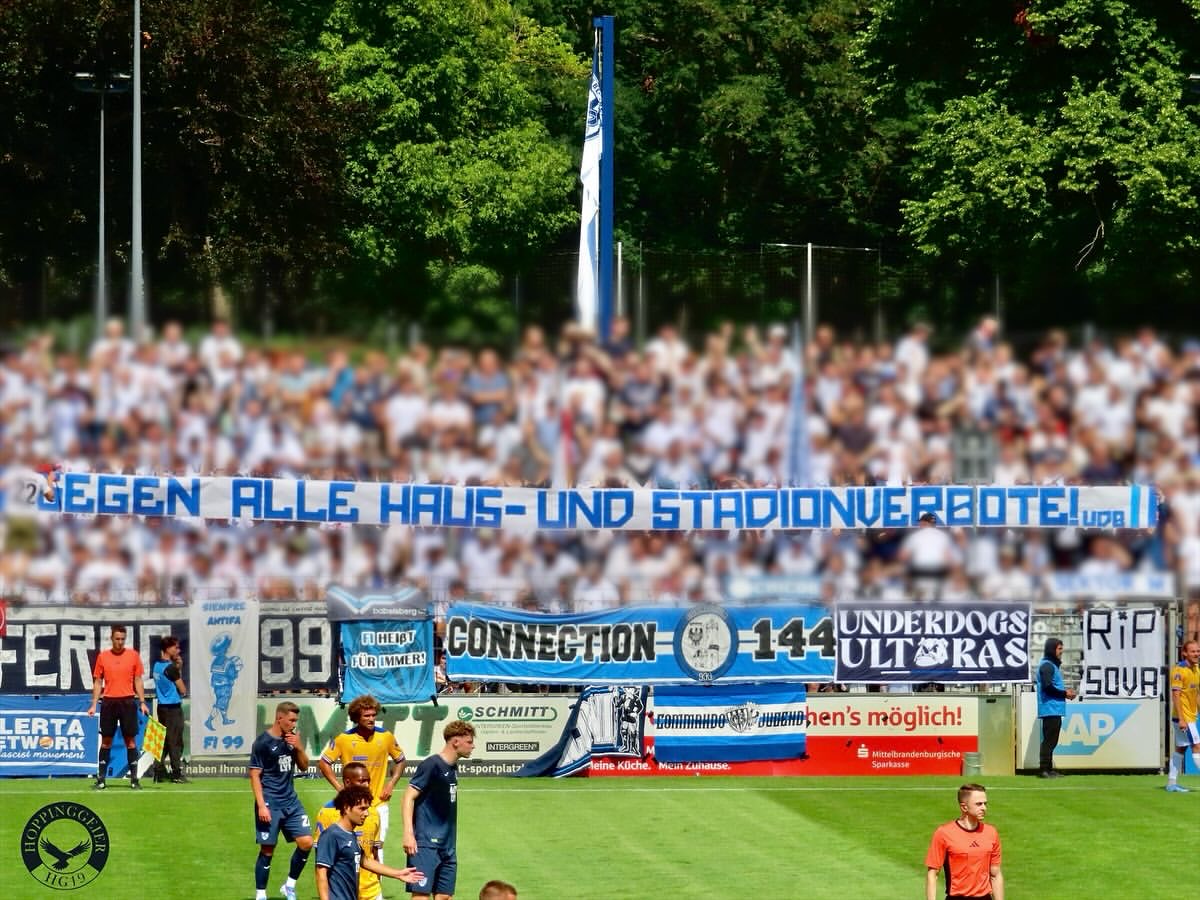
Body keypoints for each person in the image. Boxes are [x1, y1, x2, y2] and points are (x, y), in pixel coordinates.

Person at [319, 694, 406, 860]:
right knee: (350, 847)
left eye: (374, 715)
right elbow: (324, 763)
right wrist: (340, 789)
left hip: (378, 803)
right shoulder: (343, 739)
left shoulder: (386, 737)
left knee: (376, 849)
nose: (372, 719)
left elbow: (401, 761)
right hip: (351, 805)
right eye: (367, 716)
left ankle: (375, 885)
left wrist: (391, 784)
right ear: (356, 717)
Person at [402, 720, 477, 900]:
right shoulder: (431, 765)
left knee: (444, 895)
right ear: (455, 742)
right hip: (426, 843)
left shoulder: (452, 767)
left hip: (448, 844)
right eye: (469, 742)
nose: (473, 746)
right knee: (421, 894)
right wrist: (408, 833)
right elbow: (408, 797)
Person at [249, 701, 314, 900]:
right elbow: (254, 775)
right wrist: (261, 805)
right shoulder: (262, 743)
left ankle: (289, 885)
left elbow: (303, 767)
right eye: (291, 720)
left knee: (306, 842)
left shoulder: (293, 740)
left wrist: (299, 748)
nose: (294, 724)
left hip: (291, 802)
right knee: (268, 849)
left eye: (296, 720)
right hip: (270, 802)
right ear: (280, 718)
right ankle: (261, 894)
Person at [316, 784, 425, 900]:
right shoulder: (332, 835)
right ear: (347, 808)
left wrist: (398, 874)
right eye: (362, 808)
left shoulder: (351, 835)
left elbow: (365, 861)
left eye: (367, 808)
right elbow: (321, 873)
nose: (366, 813)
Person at [87, 624, 149, 790]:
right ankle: (101, 779)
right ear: (111, 638)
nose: (120, 642)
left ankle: (134, 780)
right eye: (117, 639)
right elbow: (98, 682)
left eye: (122, 639)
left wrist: (142, 702)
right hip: (109, 702)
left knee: (130, 741)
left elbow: (138, 680)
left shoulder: (133, 656)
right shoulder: (103, 657)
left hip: (128, 702)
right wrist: (94, 704)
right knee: (106, 741)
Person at [315, 762, 384, 900]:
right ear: (347, 782)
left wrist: (397, 874)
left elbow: (371, 855)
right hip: (343, 892)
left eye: (368, 781)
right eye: (361, 781)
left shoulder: (374, 813)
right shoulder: (327, 814)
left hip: (371, 891)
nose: (366, 785)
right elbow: (321, 865)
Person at [924, 783, 1003, 900]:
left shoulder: (991, 832)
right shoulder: (944, 833)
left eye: (985, 804)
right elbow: (932, 874)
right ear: (964, 807)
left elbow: (995, 875)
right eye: (979, 804)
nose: (984, 808)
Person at [1035, 637, 1076, 777]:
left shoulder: (1050, 665)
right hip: (1050, 708)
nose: (1061, 652)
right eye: (1059, 649)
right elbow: (1047, 687)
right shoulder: (1047, 666)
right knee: (1049, 741)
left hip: (1053, 708)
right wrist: (1065, 693)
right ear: (1052, 649)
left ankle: (1049, 769)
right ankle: (1044, 770)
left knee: (1051, 740)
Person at [152, 635, 188, 783]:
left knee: (165, 740)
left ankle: (159, 771)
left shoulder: (157, 666)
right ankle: (176, 774)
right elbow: (183, 689)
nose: (178, 650)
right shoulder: (170, 667)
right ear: (168, 649)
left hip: (162, 707)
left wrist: (177, 667)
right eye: (175, 647)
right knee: (175, 741)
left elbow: (168, 678)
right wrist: (178, 669)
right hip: (173, 708)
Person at [1167, 639, 1200, 792]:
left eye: (1198, 651)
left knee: (1181, 748)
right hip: (1183, 718)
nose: (1197, 654)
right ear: (1184, 653)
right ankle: (1172, 783)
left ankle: (1171, 783)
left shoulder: (1196, 669)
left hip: (1190, 716)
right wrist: (1181, 718)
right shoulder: (1178, 671)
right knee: (1197, 746)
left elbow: (1195, 693)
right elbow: (1176, 695)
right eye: (1193, 651)